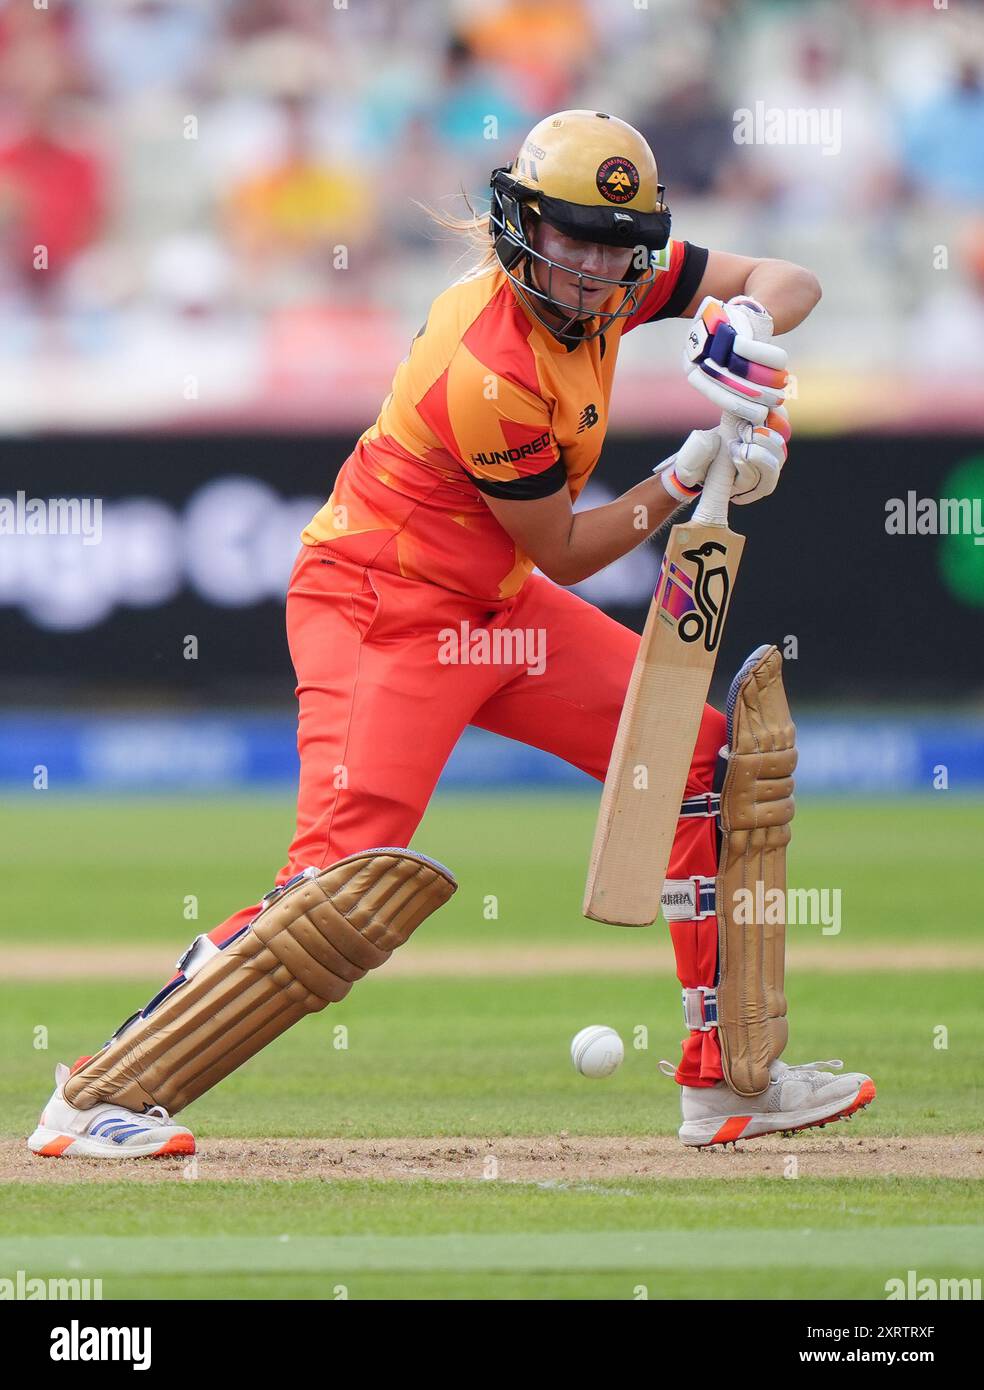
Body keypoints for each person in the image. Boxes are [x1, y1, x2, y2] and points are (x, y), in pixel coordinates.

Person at [28, 110, 874, 1159]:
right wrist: (691, 469)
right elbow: (566, 548)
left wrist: (741, 329)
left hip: (494, 604)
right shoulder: (488, 364)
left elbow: (789, 275)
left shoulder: (620, 280)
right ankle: (95, 1096)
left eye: (616, 244)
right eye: (571, 238)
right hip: (380, 607)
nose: (595, 267)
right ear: (524, 229)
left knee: (704, 765)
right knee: (336, 890)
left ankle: (731, 1079)